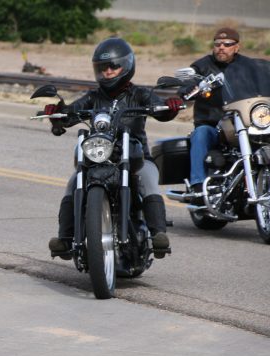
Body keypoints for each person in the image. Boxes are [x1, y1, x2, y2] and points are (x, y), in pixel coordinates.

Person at [45, 38, 183, 259]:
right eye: (102, 68)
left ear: (126, 66)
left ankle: (158, 235)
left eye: (113, 66)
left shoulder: (140, 94)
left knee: (149, 180)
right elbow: (70, 114)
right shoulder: (93, 97)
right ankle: (65, 238)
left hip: (136, 158)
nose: (107, 72)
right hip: (100, 157)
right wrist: (58, 113)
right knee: (73, 183)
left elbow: (162, 111)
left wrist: (171, 107)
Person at [179, 27, 245, 201]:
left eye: (227, 44)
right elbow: (188, 84)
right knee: (200, 134)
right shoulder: (203, 65)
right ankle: (198, 186)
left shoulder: (247, 66)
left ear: (237, 47)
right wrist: (192, 87)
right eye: (217, 44)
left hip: (242, 124)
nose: (221, 47)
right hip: (212, 126)